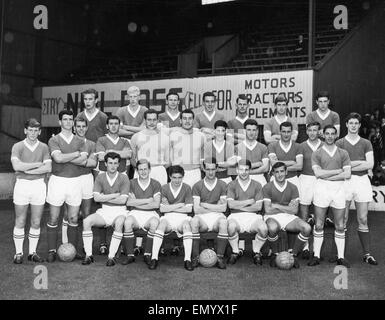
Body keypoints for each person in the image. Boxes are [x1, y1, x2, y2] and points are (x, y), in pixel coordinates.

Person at [46, 110, 88, 263]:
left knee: (73, 217)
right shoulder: (54, 140)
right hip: (58, 181)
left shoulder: (80, 140)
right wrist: (75, 154)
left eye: (71, 119)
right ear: (60, 122)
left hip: (75, 181)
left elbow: (84, 160)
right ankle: (51, 250)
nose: (68, 122)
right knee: (53, 217)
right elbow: (57, 158)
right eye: (65, 119)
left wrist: (66, 157)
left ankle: (73, 249)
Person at [336, 113, 378, 265]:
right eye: (351, 123)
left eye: (356, 123)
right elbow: (340, 165)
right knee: (343, 220)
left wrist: (349, 164)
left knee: (363, 218)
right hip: (345, 181)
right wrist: (359, 162)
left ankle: (367, 254)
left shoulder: (366, 142)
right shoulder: (340, 143)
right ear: (346, 124)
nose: (353, 125)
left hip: (362, 181)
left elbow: (370, 165)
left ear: (360, 125)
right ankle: (341, 255)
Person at [308, 125, 351, 267]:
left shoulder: (343, 153)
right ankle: (316, 255)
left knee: (339, 225)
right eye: (327, 133)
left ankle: (340, 257)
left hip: (339, 189)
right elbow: (318, 174)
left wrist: (328, 174)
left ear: (336, 135)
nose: (330, 136)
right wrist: (337, 172)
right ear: (323, 135)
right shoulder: (317, 153)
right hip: (322, 189)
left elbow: (347, 174)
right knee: (319, 224)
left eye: (333, 134)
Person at [11, 118, 52, 264]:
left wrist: (26, 168)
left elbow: (47, 168)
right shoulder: (18, 146)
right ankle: (19, 253)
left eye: (36, 130)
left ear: (40, 132)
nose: (33, 133)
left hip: (39, 186)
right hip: (22, 185)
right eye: (30, 130)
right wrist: (36, 165)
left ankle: (32, 253)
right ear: (25, 130)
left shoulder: (44, 147)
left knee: (36, 221)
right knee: (20, 220)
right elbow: (17, 167)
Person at [82, 152, 129, 266]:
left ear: (119, 165)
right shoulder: (100, 177)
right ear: (106, 164)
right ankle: (89, 255)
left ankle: (111, 257)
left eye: (115, 163)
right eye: (110, 163)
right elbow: (96, 198)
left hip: (120, 211)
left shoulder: (124, 177)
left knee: (119, 223)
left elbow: (123, 201)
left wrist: (104, 197)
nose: (113, 166)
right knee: (86, 221)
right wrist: (114, 195)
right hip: (105, 211)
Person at [263, 162, 311, 269]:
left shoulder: (293, 187)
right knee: (272, 227)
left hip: (289, 217)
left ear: (286, 172)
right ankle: (275, 255)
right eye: (276, 172)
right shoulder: (267, 187)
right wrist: (286, 208)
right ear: (273, 174)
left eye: (282, 171)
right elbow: (268, 209)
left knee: (307, 228)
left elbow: (294, 210)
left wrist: (276, 205)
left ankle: (293, 255)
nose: (279, 174)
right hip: (272, 217)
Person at [95, 115, 132, 255]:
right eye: (111, 124)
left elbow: (128, 154)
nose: (114, 126)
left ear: (119, 125)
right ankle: (103, 243)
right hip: (104, 176)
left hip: (121, 176)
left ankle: (120, 244)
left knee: (121, 209)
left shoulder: (124, 140)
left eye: (116, 124)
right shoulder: (101, 139)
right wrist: (119, 154)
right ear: (107, 126)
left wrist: (109, 153)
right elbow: (100, 157)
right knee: (103, 209)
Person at [148, 165, 194, 271]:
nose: (177, 180)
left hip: (183, 218)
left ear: (183, 177)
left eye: (179, 177)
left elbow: (188, 210)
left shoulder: (187, 187)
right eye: (174, 177)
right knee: (161, 225)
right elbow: (163, 210)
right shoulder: (164, 187)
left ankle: (187, 260)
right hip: (168, 217)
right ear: (170, 177)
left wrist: (169, 207)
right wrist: (179, 205)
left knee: (187, 226)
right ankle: (154, 258)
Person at [61, 118, 98, 247]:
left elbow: (93, 163)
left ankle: (85, 246)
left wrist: (70, 159)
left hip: (87, 178)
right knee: (69, 214)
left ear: (87, 128)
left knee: (87, 213)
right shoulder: (69, 143)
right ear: (74, 128)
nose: (81, 129)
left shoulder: (92, 144)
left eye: (83, 126)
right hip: (71, 178)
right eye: (78, 126)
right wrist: (83, 160)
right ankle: (66, 245)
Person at [226, 160, 268, 266]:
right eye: (241, 169)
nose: (244, 172)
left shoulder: (257, 185)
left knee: (263, 229)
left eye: (246, 169)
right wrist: (249, 202)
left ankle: (256, 252)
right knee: (231, 227)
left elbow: (258, 207)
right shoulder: (231, 184)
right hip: (235, 216)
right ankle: (235, 251)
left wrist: (239, 206)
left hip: (253, 217)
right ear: (236, 170)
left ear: (250, 170)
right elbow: (231, 205)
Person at [190, 159, 228, 269]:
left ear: (217, 169)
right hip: (202, 218)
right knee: (194, 222)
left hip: (217, 217)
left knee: (224, 223)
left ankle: (220, 257)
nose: (210, 172)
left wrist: (204, 204)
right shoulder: (197, 185)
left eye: (213, 169)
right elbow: (197, 209)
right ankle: (195, 257)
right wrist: (216, 207)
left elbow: (224, 207)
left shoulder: (222, 184)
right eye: (207, 169)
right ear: (203, 169)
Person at [123, 159, 162, 265]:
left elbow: (156, 204)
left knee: (154, 223)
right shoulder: (131, 183)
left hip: (151, 213)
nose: (143, 172)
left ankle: (147, 254)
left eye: (145, 169)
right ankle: (130, 255)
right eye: (140, 169)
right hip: (135, 213)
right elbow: (129, 202)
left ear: (149, 170)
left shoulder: (155, 183)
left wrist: (137, 202)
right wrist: (148, 200)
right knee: (127, 222)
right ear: (137, 171)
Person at [298, 122, 323, 259]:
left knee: (319, 217)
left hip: (320, 181)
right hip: (305, 180)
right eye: (310, 130)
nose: (313, 132)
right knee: (304, 214)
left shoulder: (325, 145)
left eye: (315, 130)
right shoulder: (301, 146)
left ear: (319, 131)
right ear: (307, 131)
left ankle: (317, 250)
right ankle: (305, 247)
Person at [131, 109, 170, 186]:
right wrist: (141, 169)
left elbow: (168, 161)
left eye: (154, 120)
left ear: (158, 121)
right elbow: (132, 158)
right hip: (141, 171)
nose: (151, 122)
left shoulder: (165, 137)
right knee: (140, 197)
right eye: (149, 120)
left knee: (159, 197)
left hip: (159, 171)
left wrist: (158, 169)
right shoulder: (136, 137)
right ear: (145, 120)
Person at [170, 109, 206, 187]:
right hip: (177, 174)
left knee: (195, 198)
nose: (187, 121)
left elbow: (204, 156)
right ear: (180, 121)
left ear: (193, 120)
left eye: (190, 118)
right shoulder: (172, 135)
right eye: (184, 118)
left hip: (195, 173)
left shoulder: (201, 136)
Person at [268, 121, 303, 190]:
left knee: (295, 200)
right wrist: (292, 162)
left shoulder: (298, 146)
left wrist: (279, 166)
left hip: (293, 179)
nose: (286, 134)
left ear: (291, 133)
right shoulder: (272, 145)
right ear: (280, 132)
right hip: (276, 179)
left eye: (288, 132)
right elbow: (274, 164)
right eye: (284, 131)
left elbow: (299, 166)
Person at [235, 119, 269, 186]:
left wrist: (248, 171)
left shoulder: (263, 147)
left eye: (254, 130)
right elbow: (239, 168)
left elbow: (266, 168)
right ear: (244, 131)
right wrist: (258, 164)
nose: (251, 132)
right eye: (249, 130)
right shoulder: (238, 147)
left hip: (259, 178)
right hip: (242, 179)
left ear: (257, 131)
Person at [204, 120, 237, 184]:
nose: (220, 133)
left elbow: (231, 163)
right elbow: (206, 164)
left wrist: (214, 165)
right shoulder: (207, 145)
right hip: (210, 179)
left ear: (226, 131)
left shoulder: (230, 146)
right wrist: (223, 164)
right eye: (218, 130)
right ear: (214, 131)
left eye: (222, 131)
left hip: (226, 178)